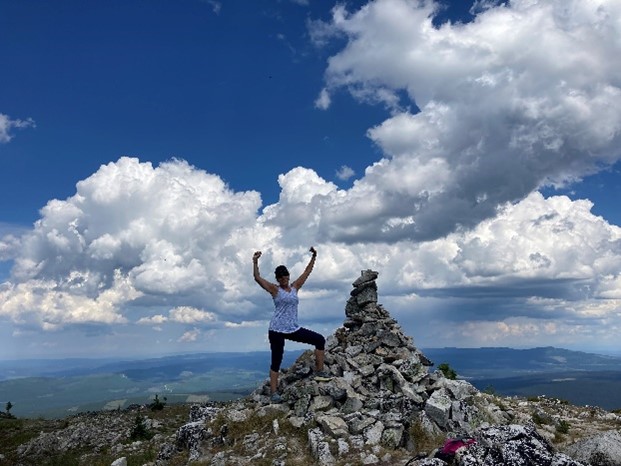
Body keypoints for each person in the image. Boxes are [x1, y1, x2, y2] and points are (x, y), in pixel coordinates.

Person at [253, 247, 331, 403]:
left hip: (293, 328)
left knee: (319, 340)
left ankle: (320, 371)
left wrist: (314, 256)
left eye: (285, 276)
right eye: (280, 277)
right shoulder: (274, 290)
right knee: (276, 360)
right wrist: (255, 261)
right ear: (277, 279)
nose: (283, 279)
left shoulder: (295, 287)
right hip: (276, 330)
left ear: (288, 276)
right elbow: (257, 278)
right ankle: (274, 393)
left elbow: (307, 272)